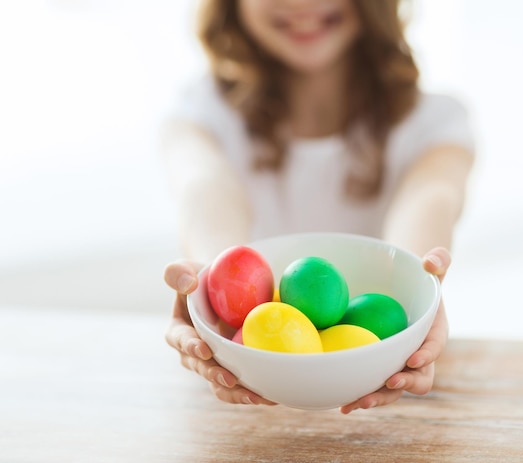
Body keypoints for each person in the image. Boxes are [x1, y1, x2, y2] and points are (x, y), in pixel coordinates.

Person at [162, 0, 475, 414]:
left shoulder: (435, 119)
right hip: (242, 403)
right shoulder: (200, 112)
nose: (300, 4)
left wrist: (419, 284)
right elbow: (205, 189)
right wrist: (210, 282)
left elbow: (431, 196)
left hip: (403, 403)